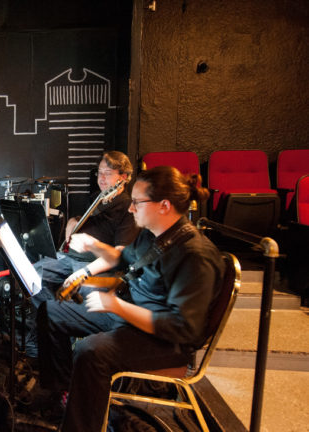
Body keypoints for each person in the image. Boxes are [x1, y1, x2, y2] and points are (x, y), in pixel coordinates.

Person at [36, 166, 225, 431]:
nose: (131, 209)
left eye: (137, 202)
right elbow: (122, 259)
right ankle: (65, 393)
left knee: (90, 352)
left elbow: (183, 328)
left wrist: (116, 305)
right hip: (129, 314)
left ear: (164, 206)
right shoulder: (152, 234)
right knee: (51, 312)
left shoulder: (196, 256)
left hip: (162, 341)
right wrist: (92, 249)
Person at [35, 151, 140, 297]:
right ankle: (47, 315)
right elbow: (80, 219)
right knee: (34, 276)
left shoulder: (128, 207)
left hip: (95, 264)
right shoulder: (96, 197)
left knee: (86, 291)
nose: (101, 178)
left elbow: (120, 255)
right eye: (99, 172)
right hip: (69, 257)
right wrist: (72, 222)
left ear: (123, 178)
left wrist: (84, 272)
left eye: (108, 173)